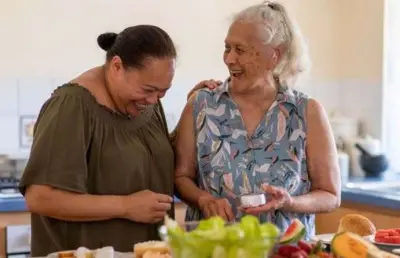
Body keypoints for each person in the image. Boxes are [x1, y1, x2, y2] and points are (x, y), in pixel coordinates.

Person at [19, 25, 219, 256]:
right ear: (116, 66)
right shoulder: (71, 106)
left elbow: (154, 161)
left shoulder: (144, 104)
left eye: (162, 92)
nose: (154, 100)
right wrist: (126, 206)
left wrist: (193, 107)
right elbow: (40, 198)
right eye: (149, 90)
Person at [174, 1, 341, 239]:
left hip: (286, 252)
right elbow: (180, 177)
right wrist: (203, 199)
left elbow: (330, 195)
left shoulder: (307, 112)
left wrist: (289, 201)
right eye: (227, 48)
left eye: (240, 50)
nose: (229, 59)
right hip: (214, 249)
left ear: (274, 55)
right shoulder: (201, 105)